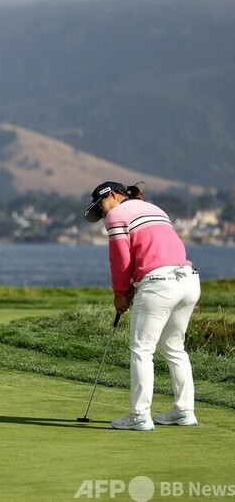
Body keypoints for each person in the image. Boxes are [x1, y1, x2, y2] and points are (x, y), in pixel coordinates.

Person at [83, 181, 200, 431]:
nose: (103, 213)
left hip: (159, 284)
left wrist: (119, 294)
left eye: (101, 206)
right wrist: (133, 288)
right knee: (174, 348)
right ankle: (184, 411)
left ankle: (139, 415)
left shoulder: (116, 215)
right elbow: (155, 252)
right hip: (188, 280)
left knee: (142, 350)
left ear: (113, 195)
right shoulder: (155, 209)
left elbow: (121, 260)